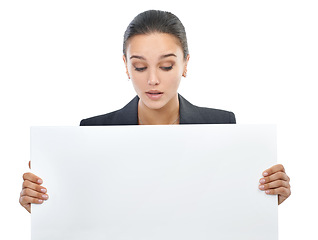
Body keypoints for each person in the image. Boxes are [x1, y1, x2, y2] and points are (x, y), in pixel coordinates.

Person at [19, 10, 291, 214]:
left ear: (185, 63)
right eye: (139, 67)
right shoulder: (93, 132)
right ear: (126, 66)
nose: (152, 80)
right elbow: (85, 213)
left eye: (166, 66)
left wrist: (264, 199)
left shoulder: (221, 125)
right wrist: (44, 206)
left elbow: (227, 210)